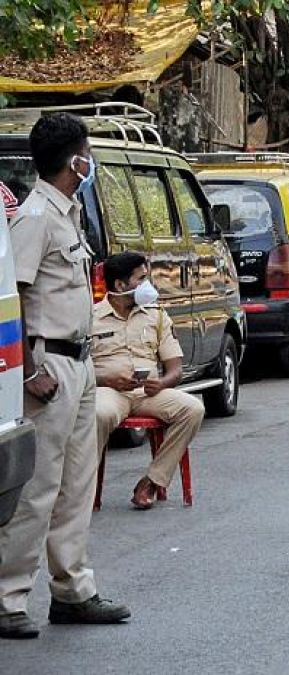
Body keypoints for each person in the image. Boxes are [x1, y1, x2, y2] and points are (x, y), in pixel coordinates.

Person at [0, 113, 130, 640]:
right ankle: (9, 598)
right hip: (48, 364)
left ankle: (73, 589)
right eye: (88, 153)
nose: (91, 161)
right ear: (75, 161)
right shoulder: (35, 217)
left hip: (80, 361)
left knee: (78, 483)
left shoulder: (68, 213)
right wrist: (30, 372)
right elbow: (19, 297)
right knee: (39, 488)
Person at [92, 251, 205, 510]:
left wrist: (163, 383)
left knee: (192, 409)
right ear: (120, 285)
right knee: (98, 414)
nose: (147, 285)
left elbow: (175, 368)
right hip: (109, 391)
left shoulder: (156, 315)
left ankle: (153, 481)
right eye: (141, 279)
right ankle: (83, 488)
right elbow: (78, 370)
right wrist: (106, 379)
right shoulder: (91, 317)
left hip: (148, 393)